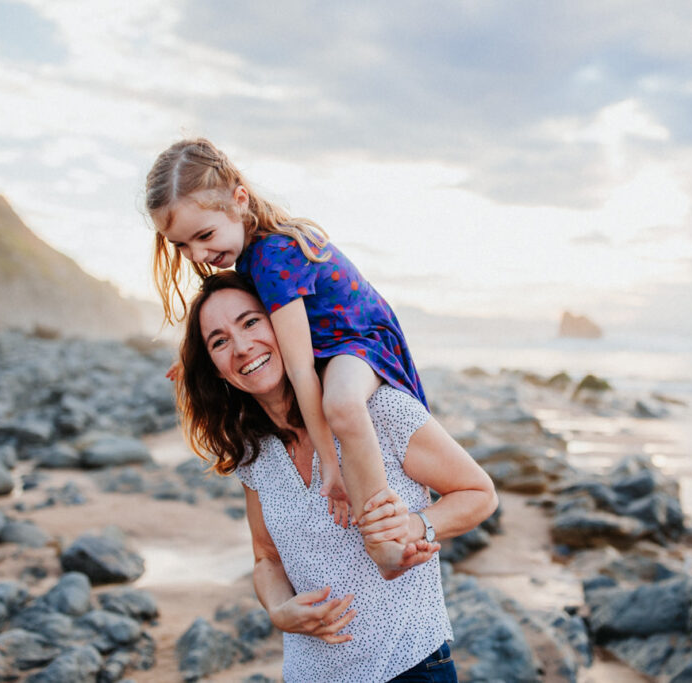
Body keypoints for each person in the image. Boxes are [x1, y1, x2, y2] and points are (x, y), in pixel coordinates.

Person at [177, 271, 498, 682]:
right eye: (219, 341)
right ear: (217, 370)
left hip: (411, 666)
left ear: (285, 324)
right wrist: (279, 610)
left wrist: (417, 525)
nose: (241, 347)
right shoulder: (253, 454)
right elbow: (266, 558)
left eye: (251, 321)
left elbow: (479, 492)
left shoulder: (373, 409)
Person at [147, 138, 430, 576]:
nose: (198, 256)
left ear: (239, 200)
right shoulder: (252, 253)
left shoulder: (273, 256)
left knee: (340, 403)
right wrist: (195, 358)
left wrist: (330, 467)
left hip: (361, 340)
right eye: (182, 245)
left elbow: (300, 368)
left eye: (204, 236)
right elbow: (245, 317)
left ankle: (385, 538)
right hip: (336, 344)